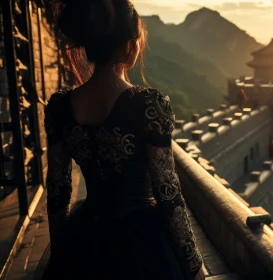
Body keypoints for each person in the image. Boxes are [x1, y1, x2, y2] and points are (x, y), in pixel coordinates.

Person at [41, 0, 204, 279]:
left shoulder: (59, 106)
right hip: (144, 243)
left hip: (85, 238)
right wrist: (192, 261)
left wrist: (62, 251)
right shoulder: (149, 105)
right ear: (129, 46)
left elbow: (57, 192)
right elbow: (167, 191)